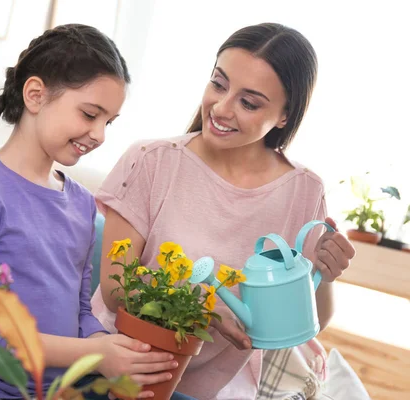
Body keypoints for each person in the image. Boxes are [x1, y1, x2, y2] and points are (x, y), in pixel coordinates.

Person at [0, 23, 200, 400]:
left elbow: (81, 312)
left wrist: (113, 353)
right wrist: (96, 353)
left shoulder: (81, 202)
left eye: (108, 122)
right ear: (35, 95)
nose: (99, 134)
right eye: (89, 114)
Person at [92, 22, 356, 400]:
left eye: (248, 102)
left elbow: (309, 321)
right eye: (218, 83)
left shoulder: (304, 190)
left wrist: (327, 275)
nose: (221, 107)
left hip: (215, 390)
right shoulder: (151, 160)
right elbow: (116, 290)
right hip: (119, 368)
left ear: (284, 116)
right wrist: (206, 304)